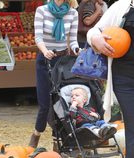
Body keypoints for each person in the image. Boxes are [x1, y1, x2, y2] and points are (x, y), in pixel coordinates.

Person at [29, 0, 79, 148]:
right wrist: (45, 51)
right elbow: (38, 37)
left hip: (62, 62)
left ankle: (57, 140)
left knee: (60, 101)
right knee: (45, 103)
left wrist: (77, 50)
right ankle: (37, 132)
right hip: (45, 59)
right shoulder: (42, 10)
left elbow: (73, 40)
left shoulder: (73, 13)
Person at [87, 0, 134, 157]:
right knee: (132, 123)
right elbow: (93, 32)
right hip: (125, 78)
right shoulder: (123, 6)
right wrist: (96, 40)